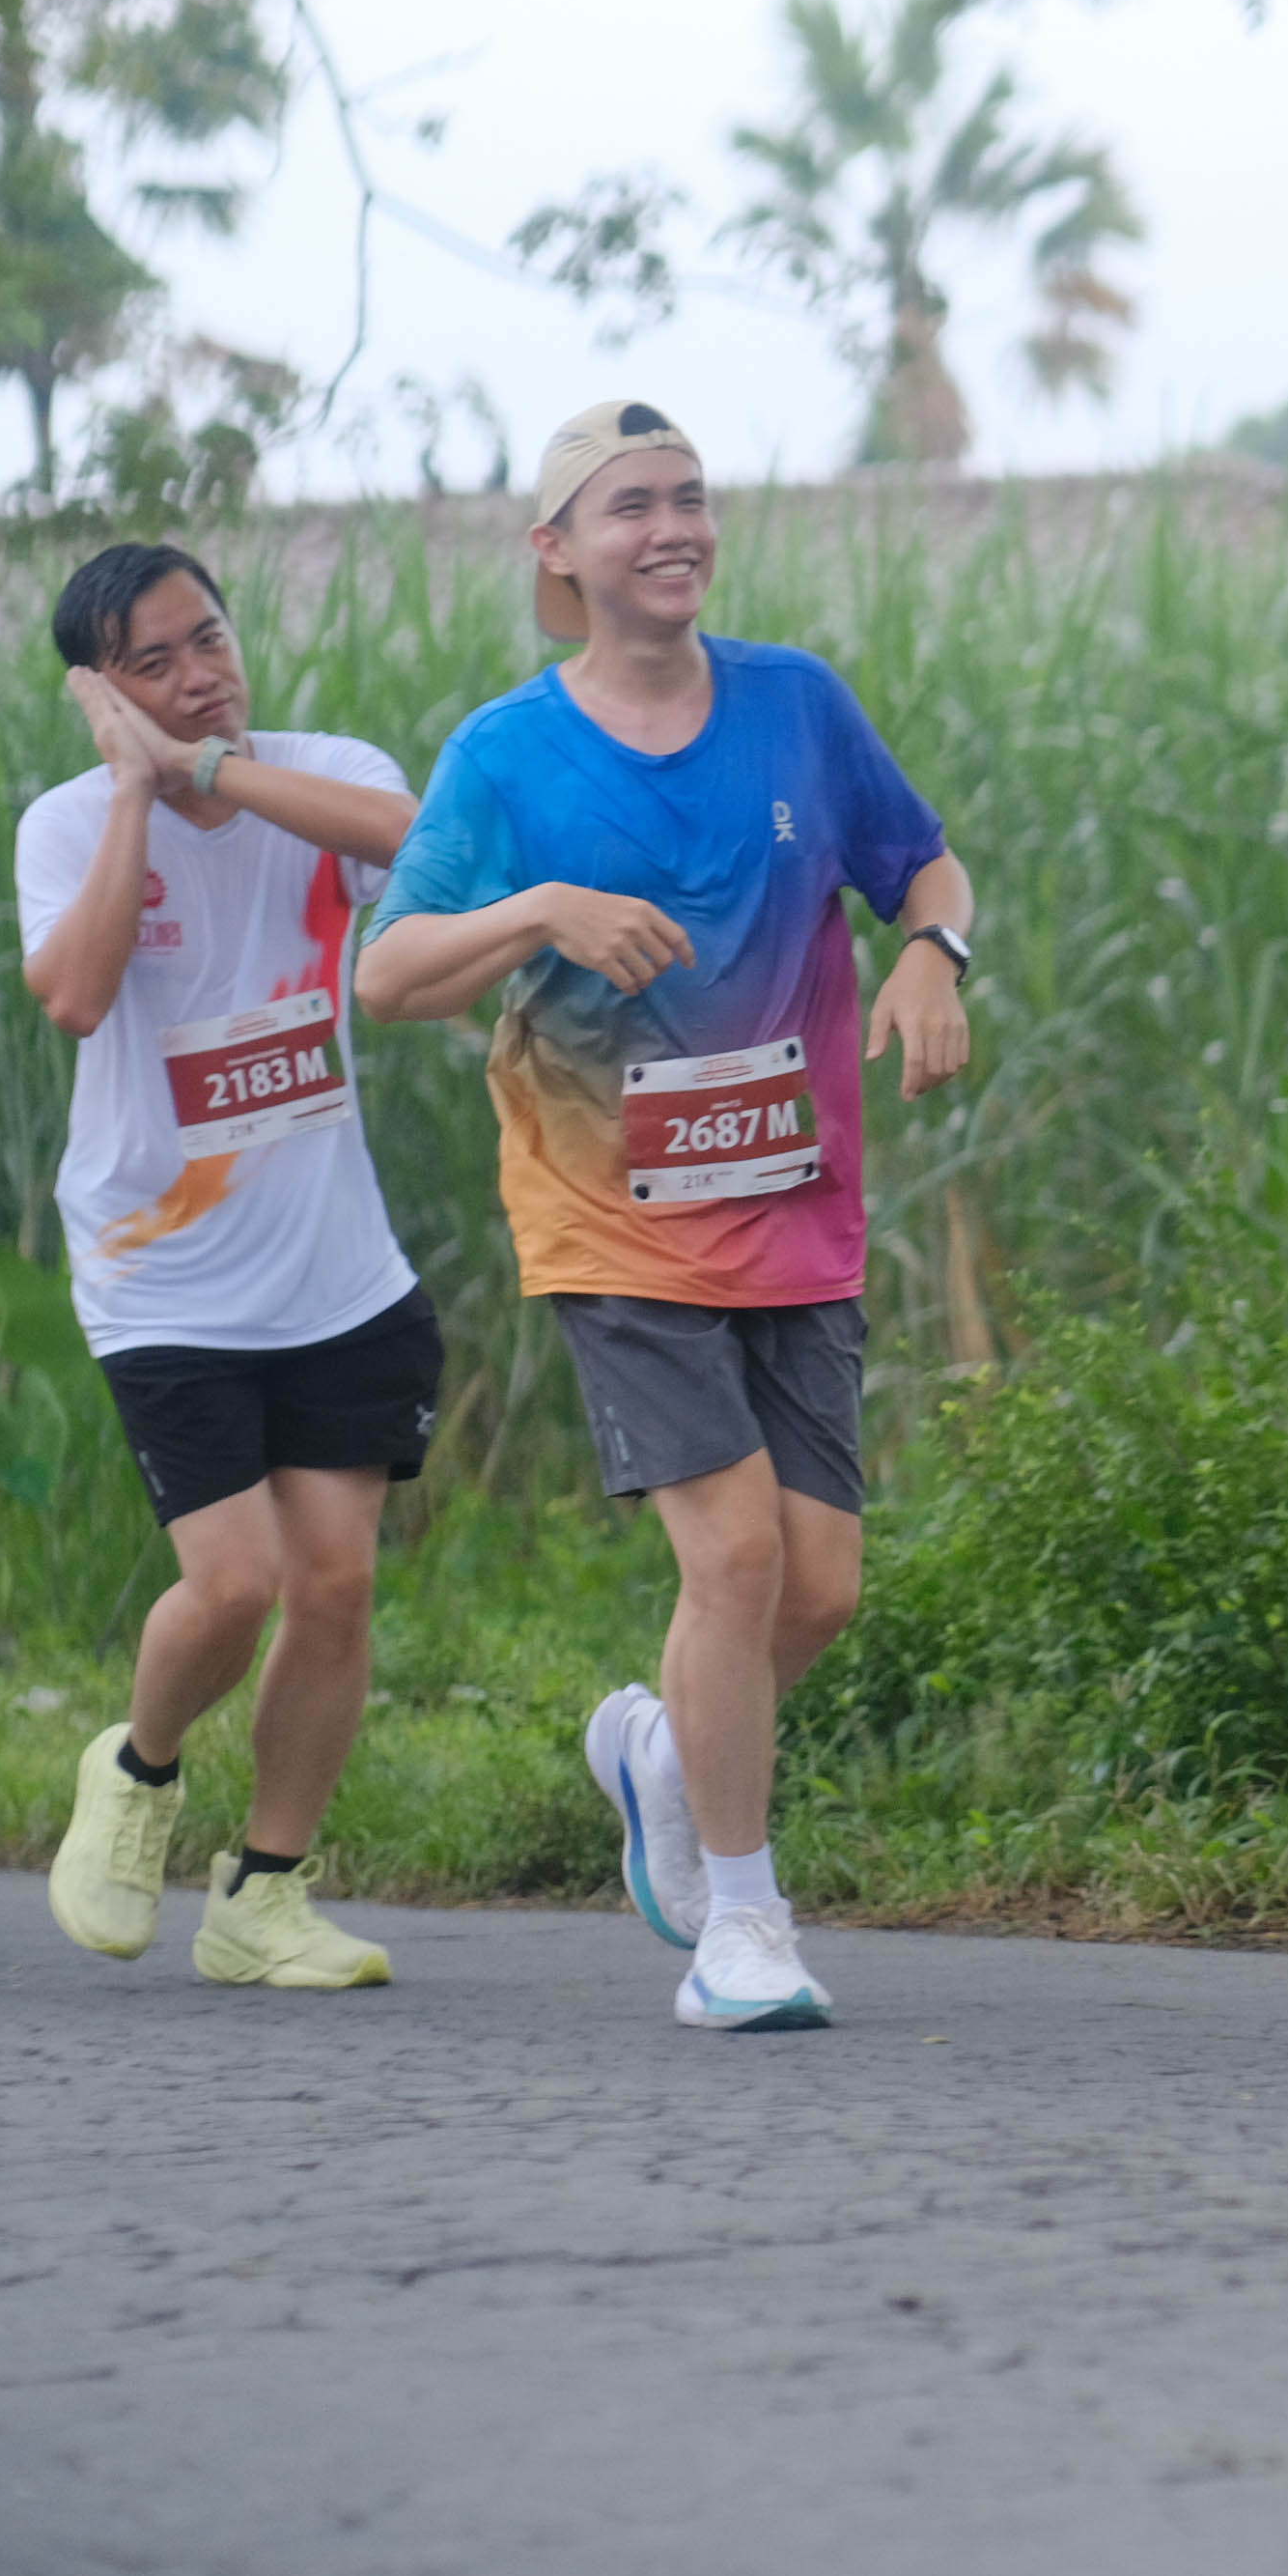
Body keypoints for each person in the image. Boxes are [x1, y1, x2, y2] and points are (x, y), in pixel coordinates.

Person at [358, 400, 973, 2033]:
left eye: (689, 495)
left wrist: (933, 953)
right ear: (559, 549)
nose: (672, 526)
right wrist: (539, 909)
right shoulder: (507, 754)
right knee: (737, 1550)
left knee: (817, 1587)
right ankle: (742, 1927)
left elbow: (926, 867)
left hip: (795, 1209)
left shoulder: (795, 706)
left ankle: (655, 1747)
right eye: (630, 504)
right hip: (611, 1216)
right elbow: (388, 972)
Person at [18, 541, 437, 1991]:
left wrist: (211, 767)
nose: (202, 673)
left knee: (335, 1586)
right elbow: (75, 997)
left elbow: (424, 841)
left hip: (335, 1272)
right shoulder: (70, 824)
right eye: (155, 661)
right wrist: (139, 790)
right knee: (238, 1582)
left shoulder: (324, 773)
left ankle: (266, 1893)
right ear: (98, 691)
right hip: (162, 1278)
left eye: (211, 637)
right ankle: (138, 1769)